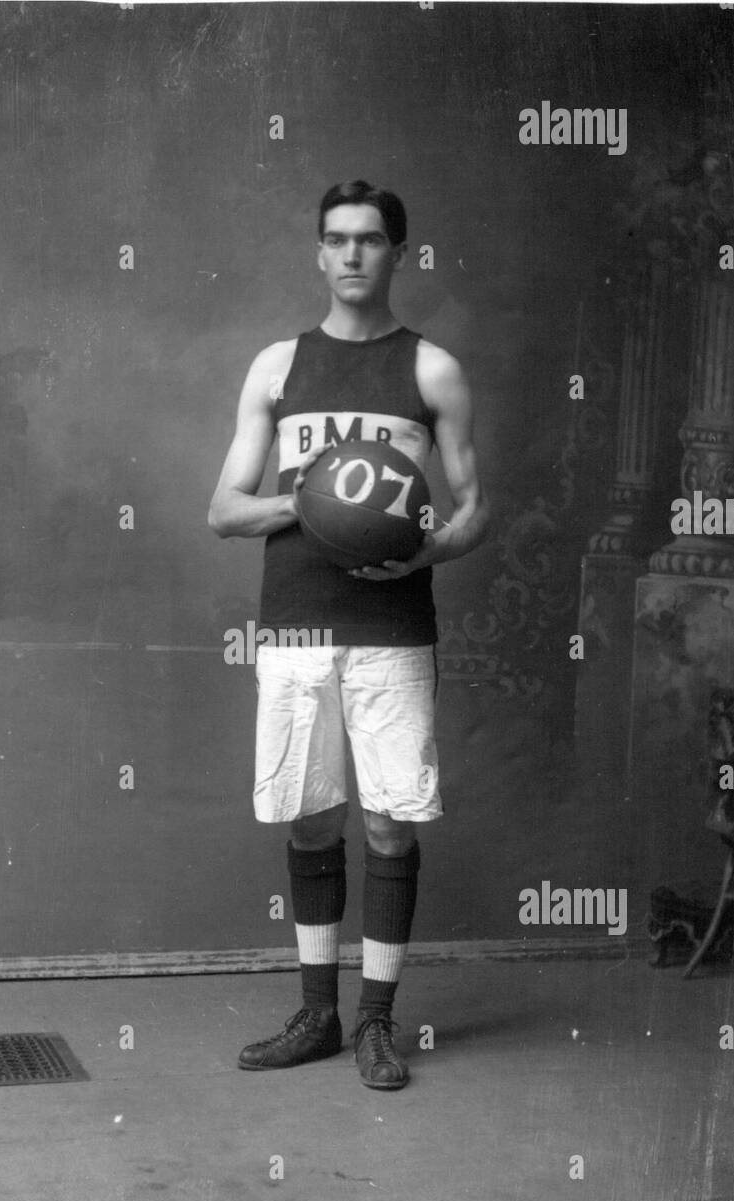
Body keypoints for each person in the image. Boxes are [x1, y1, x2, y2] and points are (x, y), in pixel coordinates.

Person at [208, 180, 488, 1089]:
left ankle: (376, 1022)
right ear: (319, 254)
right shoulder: (277, 368)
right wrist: (313, 498)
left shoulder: (430, 369)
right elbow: (222, 510)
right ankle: (316, 1014)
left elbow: (476, 509)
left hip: (393, 627)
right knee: (311, 814)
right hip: (294, 628)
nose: (353, 255)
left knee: (389, 821)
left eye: (370, 239)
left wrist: (428, 552)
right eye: (336, 239)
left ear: (398, 252)